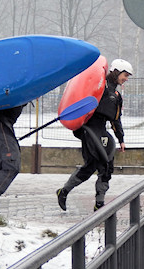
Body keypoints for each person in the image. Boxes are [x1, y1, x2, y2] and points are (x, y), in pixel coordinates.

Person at [56, 58, 132, 212]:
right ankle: (63, 191)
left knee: (107, 166)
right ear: (116, 71)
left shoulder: (117, 95)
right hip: (89, 129)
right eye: (125, 75)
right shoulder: (99, 86)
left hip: (102, 131)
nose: (126, 79)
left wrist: (121, 140)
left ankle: (99, 203)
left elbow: (116, 119)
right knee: (91, 165)